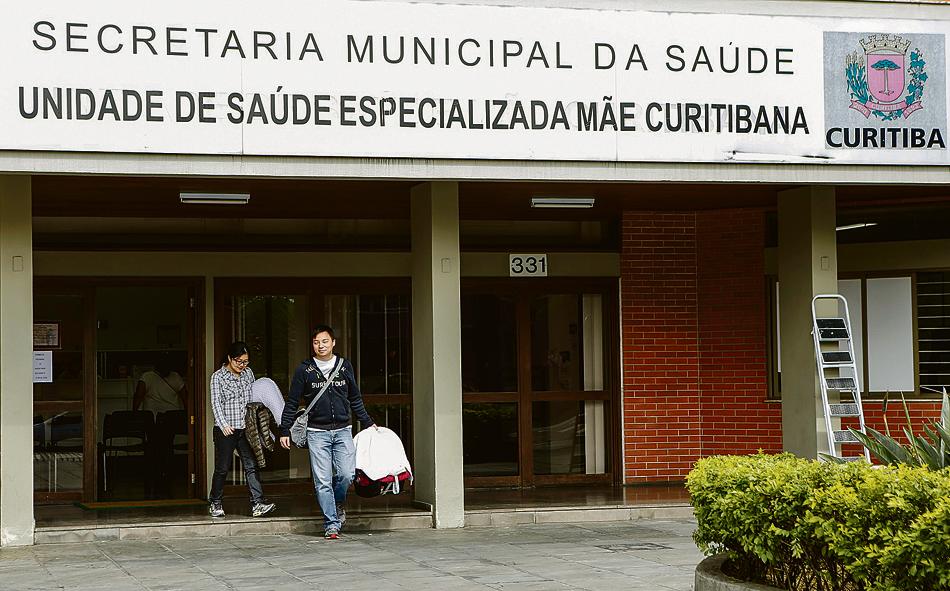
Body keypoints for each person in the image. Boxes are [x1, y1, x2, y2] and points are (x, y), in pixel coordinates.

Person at [280, 325, 376, 540]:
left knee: (346, 474)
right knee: (322, 481)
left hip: (343, 430)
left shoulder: (344, 367)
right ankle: (331, 523)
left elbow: (355, 398)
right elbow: (293, 401)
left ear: (333, 343)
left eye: (324, 341)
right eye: (316, 342)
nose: (320, 345)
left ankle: (337, 502)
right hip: (317, 433)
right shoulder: (304, 370)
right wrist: (284, 429)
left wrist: (368, 423)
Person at [208, 341, 276, 519]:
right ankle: (215, 502)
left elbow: (253, 398)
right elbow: (216, 403)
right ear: (230, 358)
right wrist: (223, 425)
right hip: (227, 429)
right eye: (239, 361)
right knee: (222, 468)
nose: (242, 365)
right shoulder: (218, 377)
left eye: (245, 362)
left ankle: (257, 503)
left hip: (246, 428)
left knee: (251, 465)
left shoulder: (248, 374)